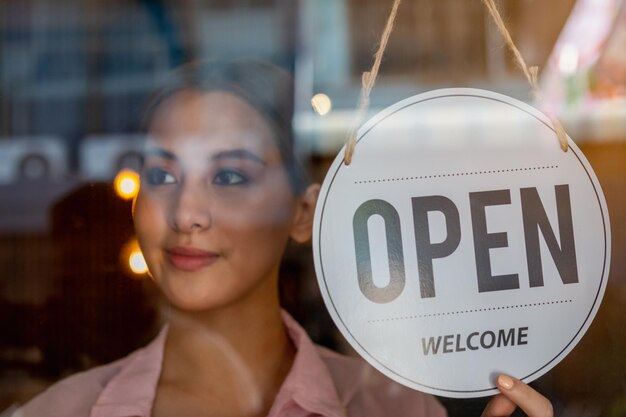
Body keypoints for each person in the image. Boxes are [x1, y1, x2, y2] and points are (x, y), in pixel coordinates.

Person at [14, 60, 553, 417]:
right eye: (161, 176)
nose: (187, 213)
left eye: (229, 176)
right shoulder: (58, 412)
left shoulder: (392, 409)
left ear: (302, 214)